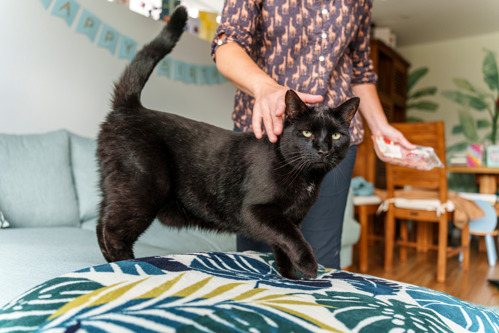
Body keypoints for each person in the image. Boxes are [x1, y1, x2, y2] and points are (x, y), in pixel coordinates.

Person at [210, 0, 414, 269]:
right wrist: (266, 87)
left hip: (335, 145)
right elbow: (227, 42)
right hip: (266, 134)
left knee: (321, 260)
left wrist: (381, 126)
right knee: (257, 259)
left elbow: (361, 70)